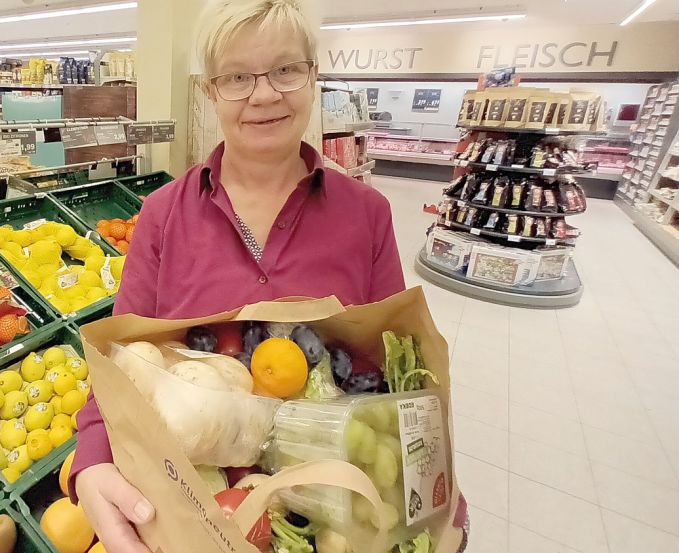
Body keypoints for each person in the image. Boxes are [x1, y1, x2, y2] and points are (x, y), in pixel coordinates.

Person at [69, 1, 437, 552]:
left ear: (313, 76)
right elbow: (121, 362)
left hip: (326, 516)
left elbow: (399, 371)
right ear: (209, 92)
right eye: (238, 77)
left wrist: (432, 489)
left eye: (285, 70)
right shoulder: (163, 216)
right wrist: (92, 462)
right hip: (191, 500)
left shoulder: (367, 214)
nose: (263, 95)